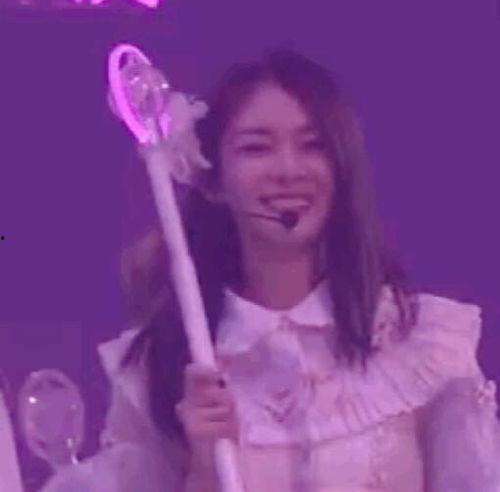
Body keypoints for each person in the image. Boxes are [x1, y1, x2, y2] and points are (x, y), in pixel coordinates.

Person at [95, 49, 500, 491]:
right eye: (256, 148)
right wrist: (205, 468)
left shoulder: (422, 344)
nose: (288, 170)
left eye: (313, 145)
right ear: (213, 180)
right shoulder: (163, 368)